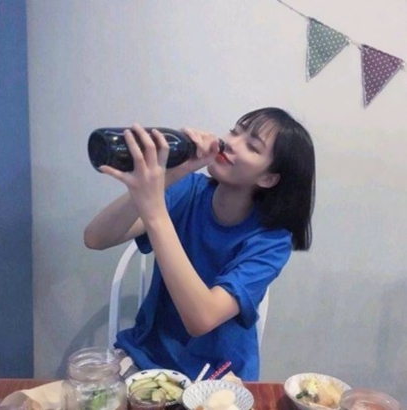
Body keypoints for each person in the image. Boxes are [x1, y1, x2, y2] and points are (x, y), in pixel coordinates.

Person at [84, 107, 316, 381]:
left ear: (268, 178)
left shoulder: (271, 240)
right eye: (235, 131)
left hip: (217, 376)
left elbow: (201, 319)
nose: (231, 142)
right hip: (147, 359)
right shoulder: (189, 189)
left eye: (252, 146)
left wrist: (155, 210)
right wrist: (172, 174)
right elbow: (96, 238)